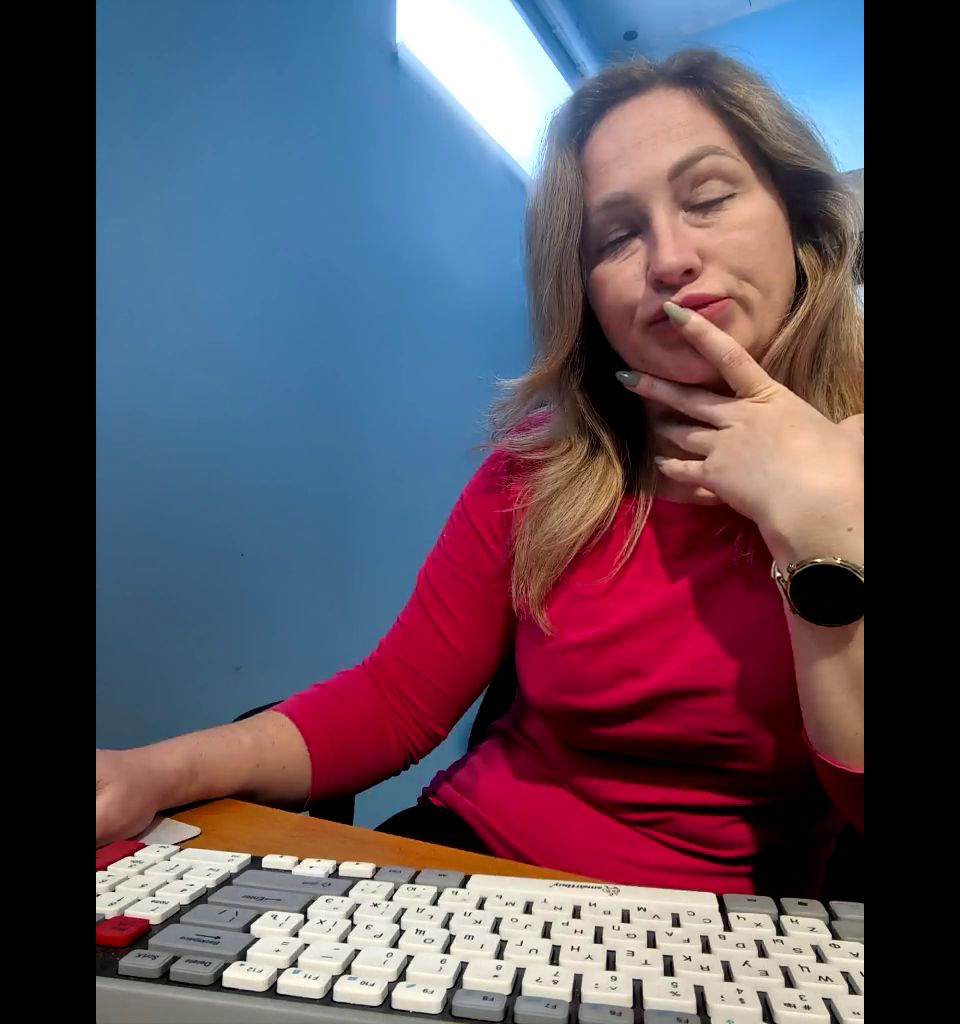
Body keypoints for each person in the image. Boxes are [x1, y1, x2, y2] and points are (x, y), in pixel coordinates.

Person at [96, 49, 863, 896]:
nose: (670, 259)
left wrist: (822, 524)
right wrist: (151, 773)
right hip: (465, 860)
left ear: (800, 221)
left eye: (709, 198)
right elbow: (394, 700)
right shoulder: (540, 467)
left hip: (714, 935)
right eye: (616, 237)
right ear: (586, 296)